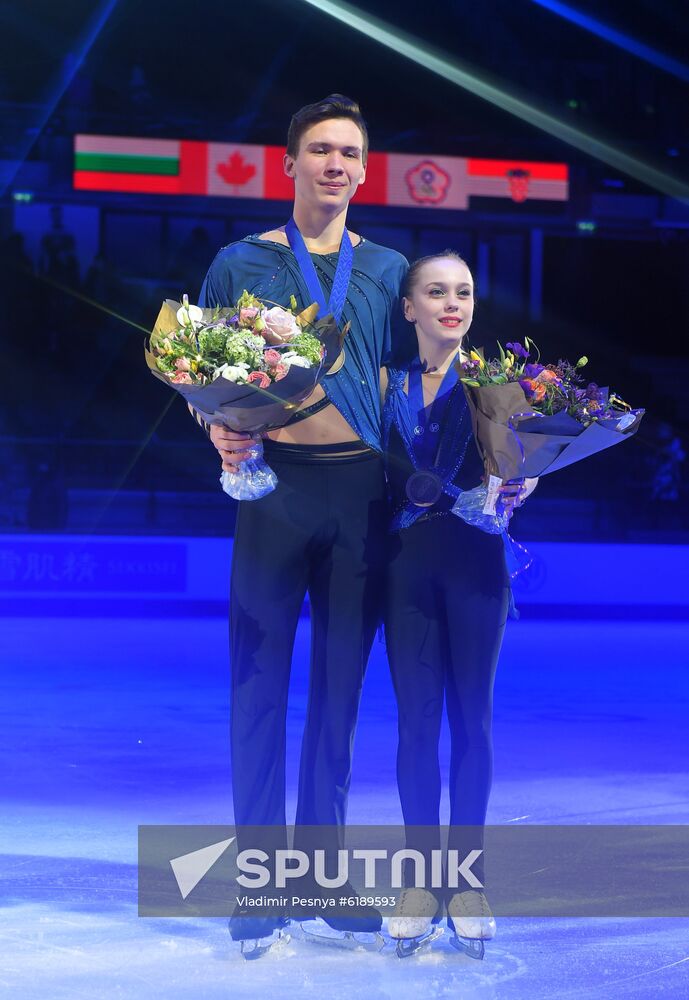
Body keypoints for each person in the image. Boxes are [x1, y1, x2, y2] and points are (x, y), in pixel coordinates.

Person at [194, 94, 408, 950]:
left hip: (363, 497)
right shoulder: (239, 262)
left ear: (363, 170)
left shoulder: (391, 270)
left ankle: (321, 878)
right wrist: (212, 428)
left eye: (348, 152)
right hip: (273, 492)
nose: (333, 164)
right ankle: (259, 884)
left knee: (338, 698)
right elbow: (196, 371)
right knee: (256, 687)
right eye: (319, 149)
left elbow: (412, 388)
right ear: (289, 162)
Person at [381, 252, 536, 958]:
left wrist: (524, 483)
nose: (452, 302)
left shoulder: (497, 386)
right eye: (435, 291)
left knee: (470, 719)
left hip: (476, 569)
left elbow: (521, 468)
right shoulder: (382, 383)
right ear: (408, 306)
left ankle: (466, 882)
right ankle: (419, 883)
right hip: (404, 571)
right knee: (415, 725)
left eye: (464, 292)